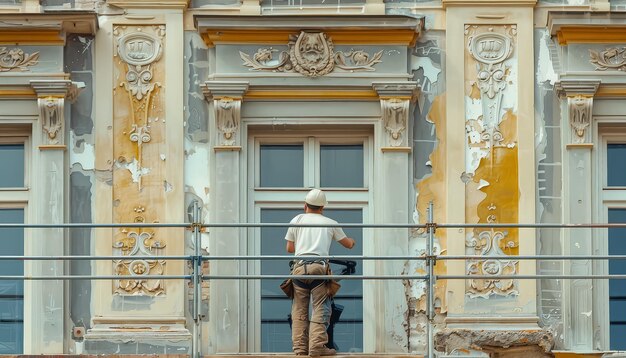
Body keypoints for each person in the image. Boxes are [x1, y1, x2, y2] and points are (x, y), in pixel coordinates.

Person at [285, 189, 356, 357]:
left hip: (299, 269)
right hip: (318, 268)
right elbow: (348, 244)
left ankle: (301, 349)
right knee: (320, 308)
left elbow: (289, 248)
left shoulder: (297, 220)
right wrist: (352, 241)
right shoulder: (330, 222)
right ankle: (317, 347)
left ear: (305, 206)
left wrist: (304, 244)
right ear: (322, 207)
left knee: (299, 310)